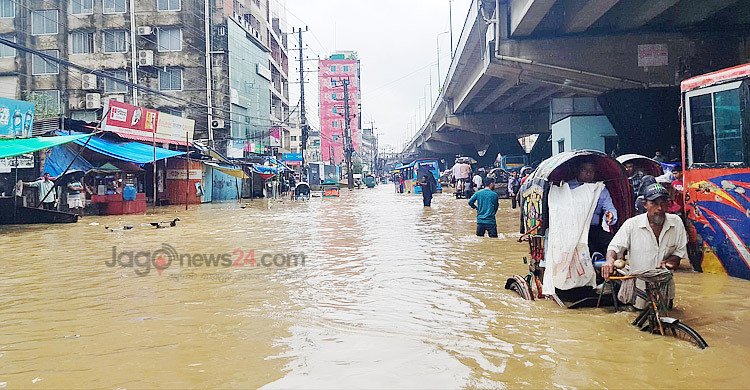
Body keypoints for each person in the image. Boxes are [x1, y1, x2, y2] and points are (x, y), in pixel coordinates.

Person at [602, 183, 687, 308]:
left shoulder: (676, 223)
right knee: (635, 320)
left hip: (664, 287)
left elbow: (678, 253)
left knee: (665, 319)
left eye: (663, 203)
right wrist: (609, 262)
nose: (659, 208)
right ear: (645, 204)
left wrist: (671, 262)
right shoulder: (632, 224)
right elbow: (614, 248)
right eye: (654, 203)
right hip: (639, 288)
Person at [567, 160, 618, 255]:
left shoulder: (600, 188)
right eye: (584, 170)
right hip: (573, 230)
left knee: (614, 244)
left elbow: (609, 208)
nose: (588, 173)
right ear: (577, 171)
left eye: (592, 171)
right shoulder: (567, 187)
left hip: (594, 229)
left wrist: (610, 215)